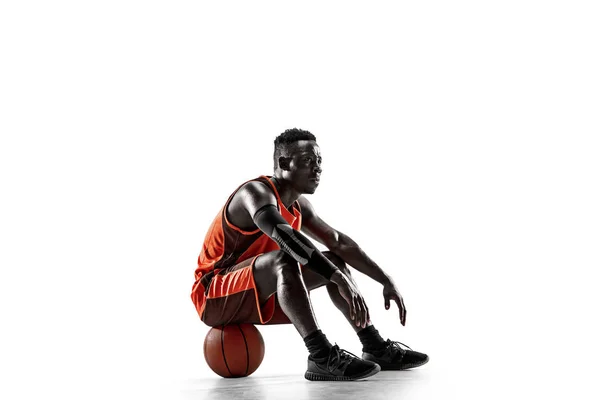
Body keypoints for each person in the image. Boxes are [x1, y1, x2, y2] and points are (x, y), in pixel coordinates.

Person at [191, 128, 428, 381]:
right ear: (283, 163)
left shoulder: (298, 205)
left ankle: (375, 346)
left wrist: (385, 279)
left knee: (332, 259)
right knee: (288, 258)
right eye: (307, 161)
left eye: (319, 161)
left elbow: (338, 242)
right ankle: (320, 355)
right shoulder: (254, 193)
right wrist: (336, 276)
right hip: (213, 295)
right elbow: (285, 236)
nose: (317, 168)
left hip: (257, 290)